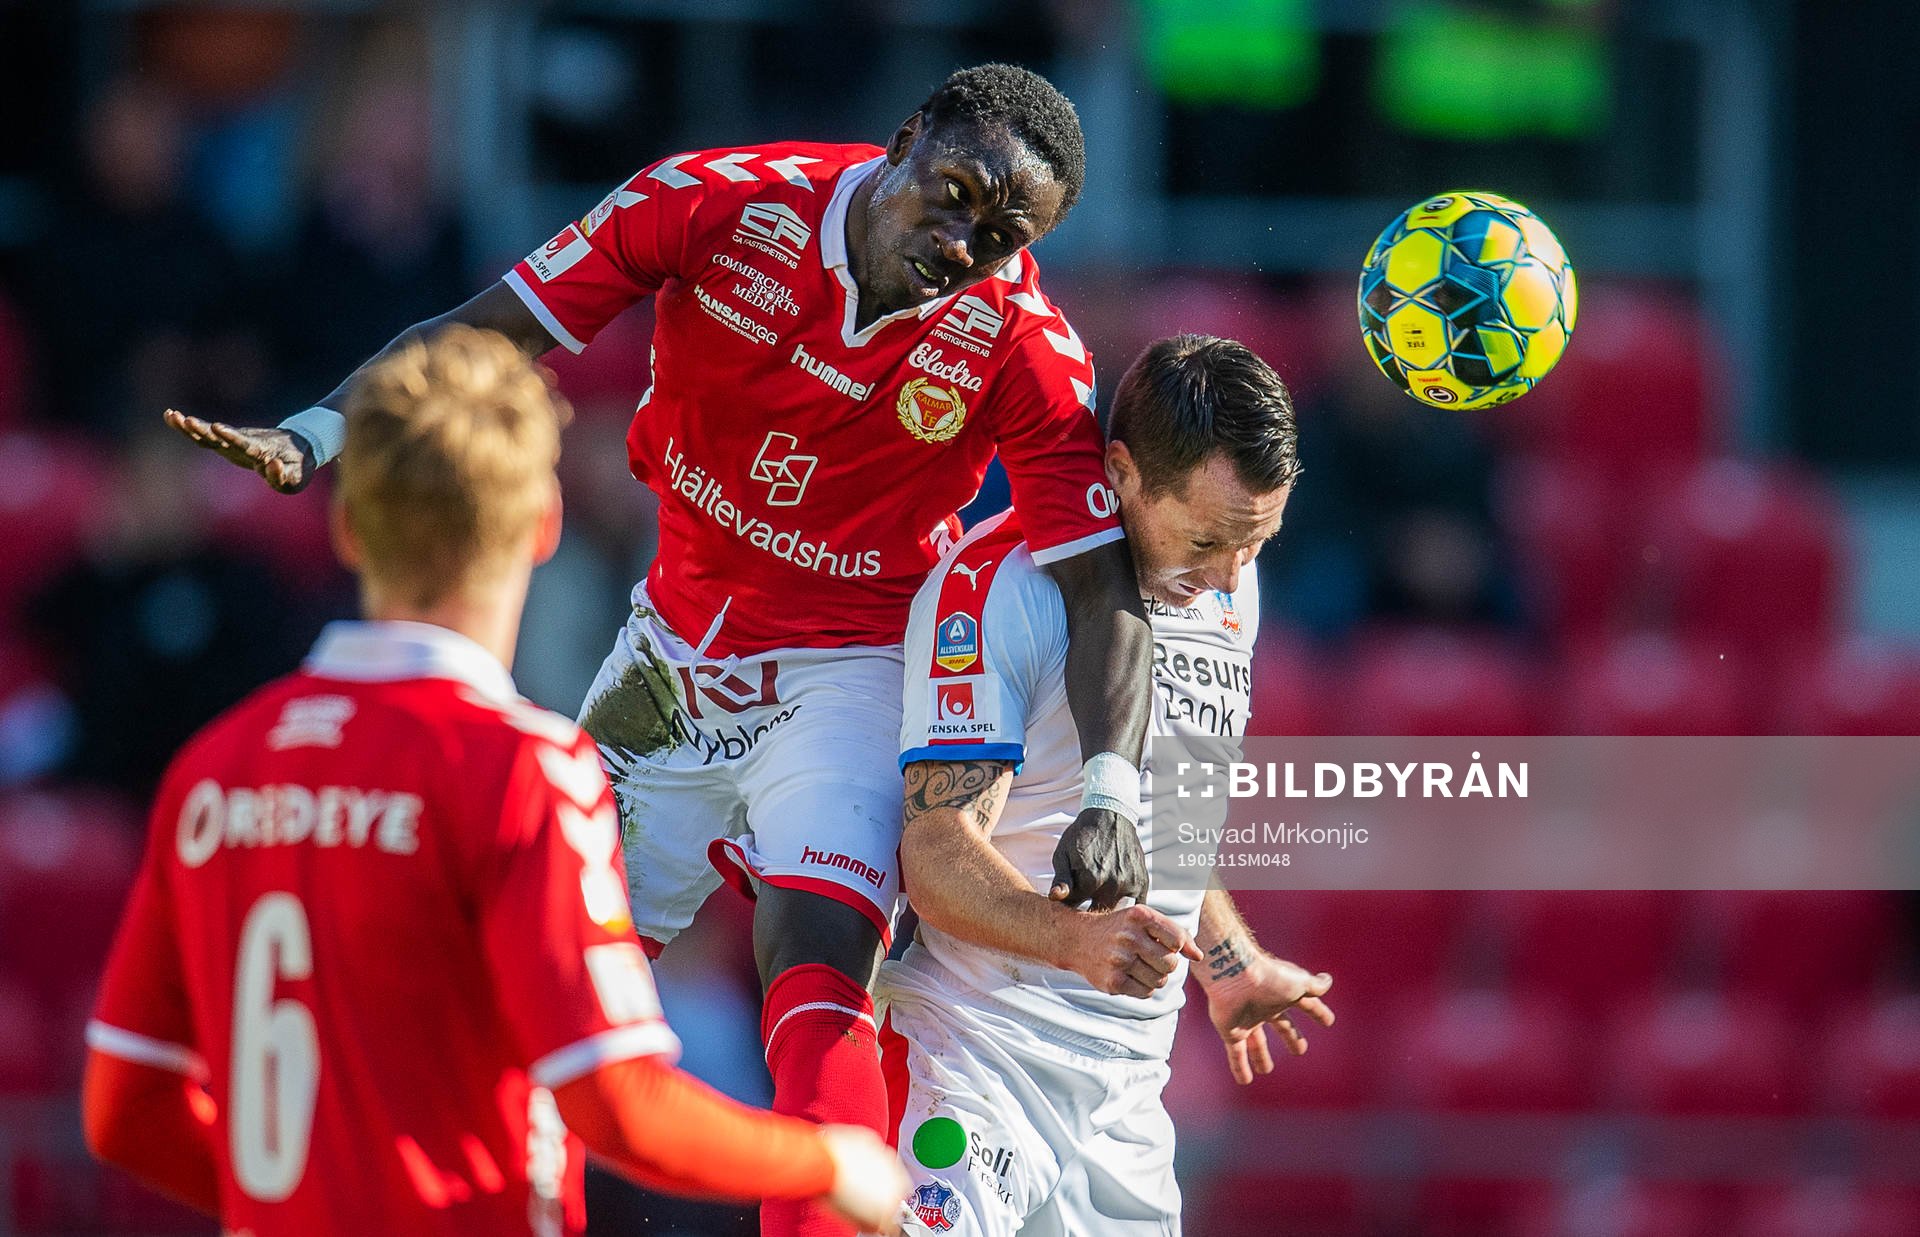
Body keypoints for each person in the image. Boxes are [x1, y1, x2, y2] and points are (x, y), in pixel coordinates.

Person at [164, 63, 1155, 1237]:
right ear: (903, 139)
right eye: (952, 195)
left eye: (1001, 235)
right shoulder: (715, 202)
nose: (963, 241)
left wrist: (1113, 784)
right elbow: (489, 334)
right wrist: (318, 432)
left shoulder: (1025, 346)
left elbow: (1104, 585)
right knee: (525, 993)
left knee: (816, 945)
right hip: (668, 658)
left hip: (848, 669)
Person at [83, 327, 909, 1236]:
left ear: (348, 527)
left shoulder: (216, 769)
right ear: (543, 522)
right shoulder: (523, 769)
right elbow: (616, 1104)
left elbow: (125, 1112)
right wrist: (829, 1159)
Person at [881, 335, 1335, 1235]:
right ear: (1120, 472)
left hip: (1129, 1084)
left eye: (1256, 541)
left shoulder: (1229, 590)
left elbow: (1170, 822)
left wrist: (1230, 962)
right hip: (972, 1059)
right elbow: (933, 854)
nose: (1227, 578)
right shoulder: (998, 586)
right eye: (1207, 539)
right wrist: (1072, 939)